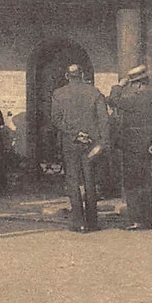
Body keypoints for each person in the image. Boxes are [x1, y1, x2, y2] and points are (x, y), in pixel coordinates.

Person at [51, 64, 111, 233]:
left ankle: (78, 221)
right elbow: (104, 120)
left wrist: (75, 133)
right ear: (82, 74)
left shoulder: (59, 94)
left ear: (67, 75)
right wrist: (102, 143)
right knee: (90, 179)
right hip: (91, 142)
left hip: (71, 142)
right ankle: (92, 221)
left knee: (72, 180)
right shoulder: (94, 92)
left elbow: (55, 119)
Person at [108, 64, 152, 231]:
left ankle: (136, 221)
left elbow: (113, 100)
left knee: (132, 184)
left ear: (139, 84)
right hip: (148, 148)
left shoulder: (134, 99)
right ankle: (147, 221)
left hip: (132, 147)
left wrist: (119, 85)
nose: (132, 88)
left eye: (133, 84)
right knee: (146, 184)